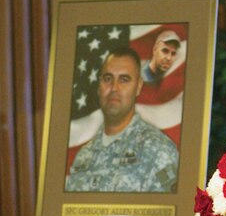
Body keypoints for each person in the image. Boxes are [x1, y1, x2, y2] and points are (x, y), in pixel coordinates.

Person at [65, 46, 178, 193]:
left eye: (124, 80)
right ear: (99, 86)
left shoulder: (159, 150)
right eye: (107, 79)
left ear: (138, 87)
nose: (114, 88)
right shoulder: (84, 156)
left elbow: (168, 213)